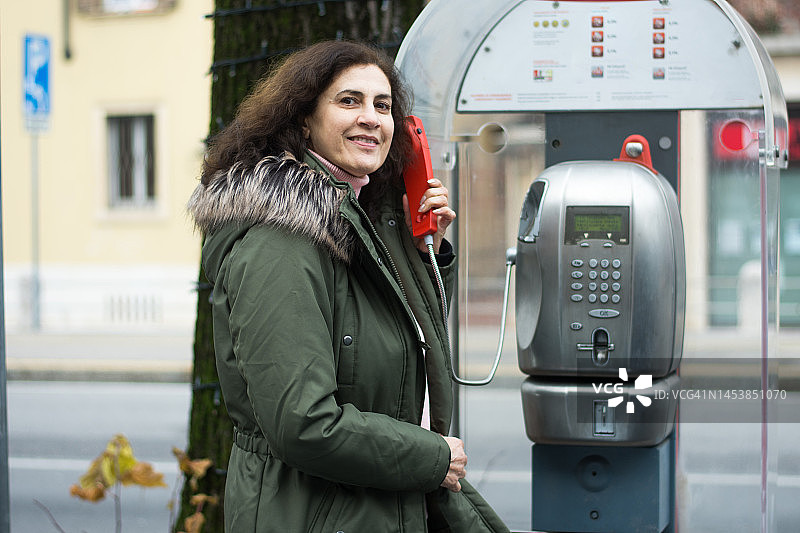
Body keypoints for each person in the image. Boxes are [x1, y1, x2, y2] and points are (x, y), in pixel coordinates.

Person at [189, 40, 509, 533]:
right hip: (313, 511)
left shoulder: (360, 221)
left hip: (367, 502)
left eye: (383, 106)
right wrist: (430, 457)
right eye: (349, 101)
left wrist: (423, 251)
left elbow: (394, 347)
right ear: (302, 121)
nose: (372, 118)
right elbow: (304, 423)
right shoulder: (283, 241)